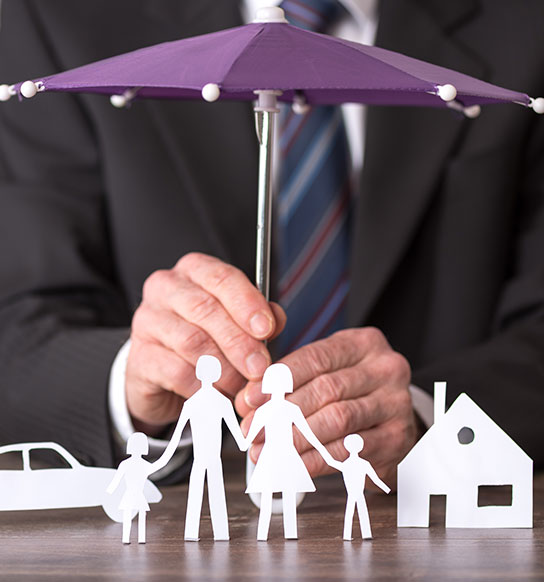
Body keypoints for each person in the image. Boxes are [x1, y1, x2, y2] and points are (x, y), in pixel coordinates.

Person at [0, 0, 543, 489]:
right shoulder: (53, 17)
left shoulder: (525, 25)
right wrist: (132, 380)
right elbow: (18, 325)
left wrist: (429, 418)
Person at [245, 363, 337, 540]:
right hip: (283, 456)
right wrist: (326, 454)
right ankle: (286, 534)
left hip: (276, 456)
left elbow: (247, 441)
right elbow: (310, 435)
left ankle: (265, 535)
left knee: (270, 494)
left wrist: (326, 454)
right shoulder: (288, 409)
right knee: (284, 494)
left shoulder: (265, 410)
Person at [173, 355, 247, 541]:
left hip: (203, 460)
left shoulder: (191, 403)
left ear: (198, 373)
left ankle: (193, 533)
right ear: (218, 374)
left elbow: (175, 438)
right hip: (212, 460)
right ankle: (220, 534)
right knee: (216, 496)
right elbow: (241, 440)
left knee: (196, 496)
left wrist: (160, 462)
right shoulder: (222, 403)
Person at [331, 434, 390, 540]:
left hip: (357, 493)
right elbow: (375, 479)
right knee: (359, 512)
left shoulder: (348, 464)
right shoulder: (361, 463)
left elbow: (375, 479)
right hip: (356, 492)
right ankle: (361, 534)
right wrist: (386, 488)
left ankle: (353, 535)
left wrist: (386, 489)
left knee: (351, 513)